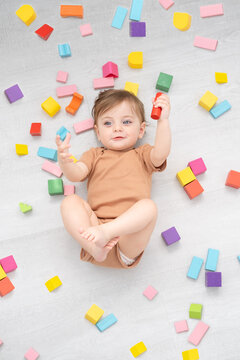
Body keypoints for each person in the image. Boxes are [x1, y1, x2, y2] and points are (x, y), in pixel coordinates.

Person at [56, 89, 171, 269]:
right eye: (108, 123)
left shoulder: (143, 154)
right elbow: (76, 174)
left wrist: (163, 121)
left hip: (127, 239)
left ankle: (104, 235)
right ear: (98, 133)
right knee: (69, 202)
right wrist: (65, 162)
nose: (117, 128)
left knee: (149, 207)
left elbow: (161, 154)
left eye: (126, 122)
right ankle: (94, 248)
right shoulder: (94, 155)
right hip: (94, 233)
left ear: (141, 130)